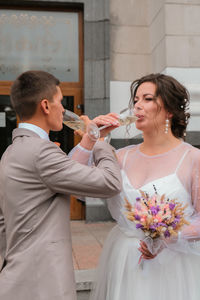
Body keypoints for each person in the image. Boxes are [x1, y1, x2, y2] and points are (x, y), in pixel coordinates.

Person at [70, 73, 200, 300]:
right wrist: (91, 139)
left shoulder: (192, 158)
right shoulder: (120, 157)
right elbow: (71, 179)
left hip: (172, 268)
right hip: (124, 263)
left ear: (169, 109)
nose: (138, 105)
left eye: (147, 99)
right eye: (136, 100)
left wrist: (167, 239)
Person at [0, 70, 122, 300]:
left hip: (16, 276)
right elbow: (110, 182)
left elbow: (61, 179)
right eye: (60, 102)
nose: (64, 111)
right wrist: (101, 144)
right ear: (46, 106)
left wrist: (89, 139)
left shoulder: (12, 152)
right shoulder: (40, 152)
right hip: (43, 282)